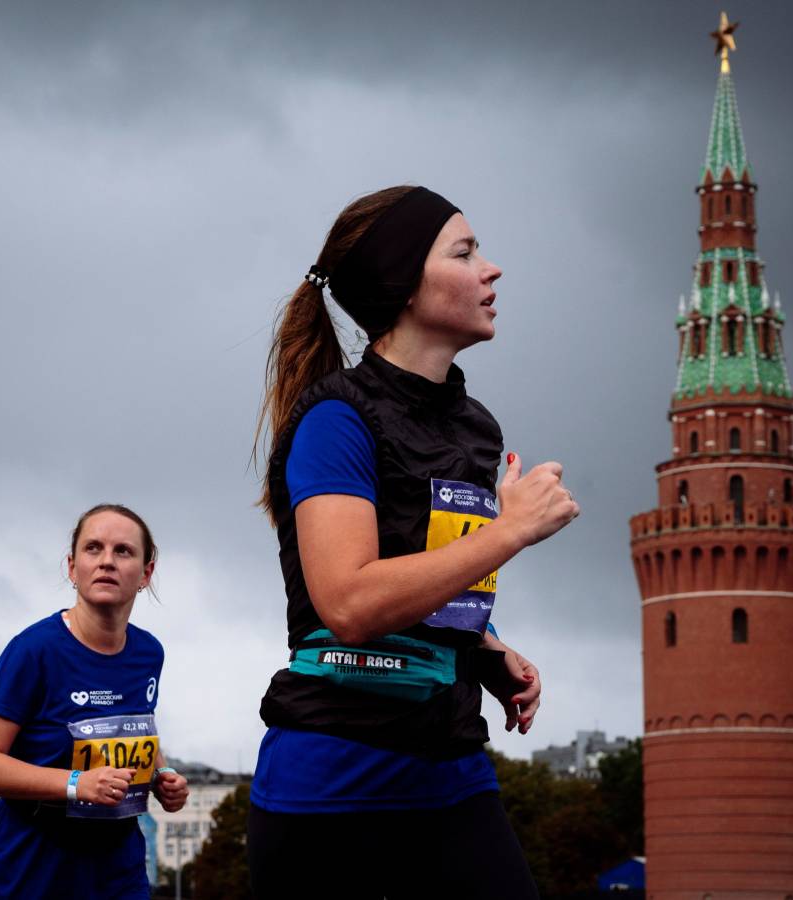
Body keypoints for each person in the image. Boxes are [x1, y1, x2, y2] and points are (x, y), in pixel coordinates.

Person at [248, 186, 580, 899]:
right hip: (334, 783)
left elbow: (427, 578)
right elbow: (350, 602)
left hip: (449, 768)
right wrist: (510, 530)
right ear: (403, 285)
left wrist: (481, 647)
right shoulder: (337, 417)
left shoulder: (475, 427)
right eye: (464, 252)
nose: (492, 270)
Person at [0, 504, 189, 899]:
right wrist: (75, 783)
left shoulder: (150, 653)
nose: (106, 562)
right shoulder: (34, 650)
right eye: (93, 548)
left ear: (146, 573)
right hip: (32, 862)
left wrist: (160, 777)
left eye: (123, 551)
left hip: (116, 864)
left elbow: (130, 730)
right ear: (71, 566)